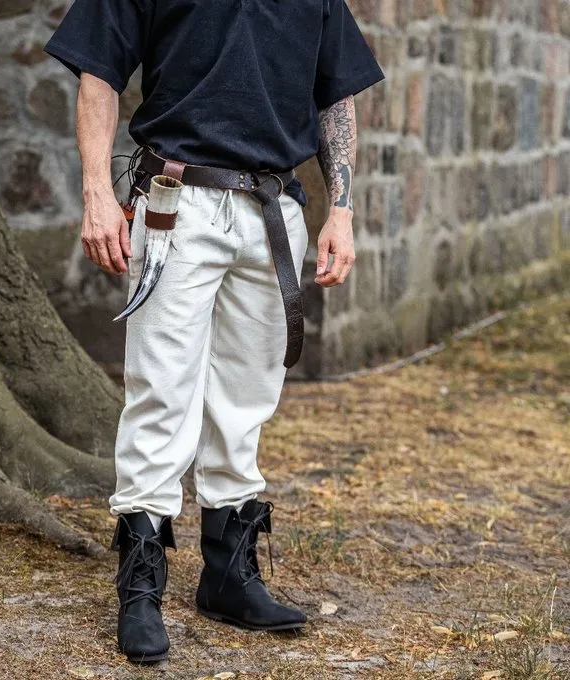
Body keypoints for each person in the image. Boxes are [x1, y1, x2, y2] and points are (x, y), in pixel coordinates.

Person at [45, 0, 384, 664]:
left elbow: (335, 94)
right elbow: (98, 71)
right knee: (161, 393)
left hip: (273, 209)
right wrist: (96, 193)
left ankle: (228, 576)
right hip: (177, 203)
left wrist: (341, 210)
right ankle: (141, 587)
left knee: (246, 399)